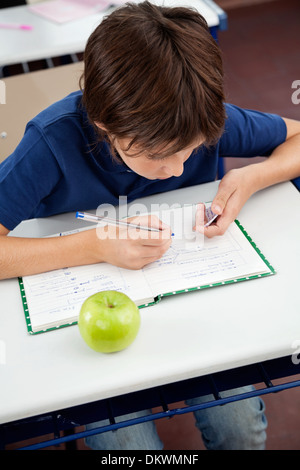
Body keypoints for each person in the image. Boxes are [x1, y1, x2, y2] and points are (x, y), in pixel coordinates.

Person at [0, 1, 299, 450]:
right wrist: (96, 245)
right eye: (159, 157)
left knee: (242, 430)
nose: (179, 170)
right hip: (89, 322)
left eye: (191, 150)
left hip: (194, 309)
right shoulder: (51, 142)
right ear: (105, 123)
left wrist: (251, 175)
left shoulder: (192, 114)